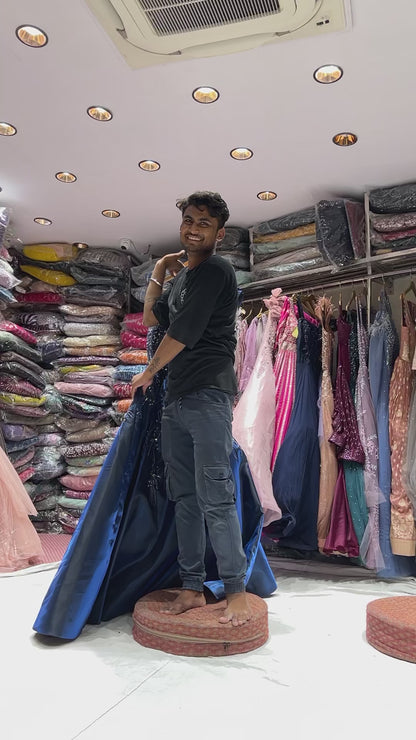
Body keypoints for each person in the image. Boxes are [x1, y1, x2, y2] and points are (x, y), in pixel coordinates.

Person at [131, 191, 251, 627]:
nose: (193, 228)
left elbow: (180, 332)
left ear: (218, 232)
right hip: (177, 400)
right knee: (185, 498)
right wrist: (160, 270)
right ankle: (191, 587)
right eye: (188, 220)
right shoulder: (181, 278)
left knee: (216, 496)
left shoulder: (216, 271)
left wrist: (148, 371)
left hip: (207, 394)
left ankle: (236, 589)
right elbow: (150, 319)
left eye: (203, 222)